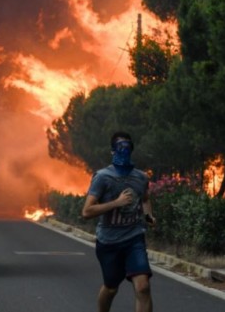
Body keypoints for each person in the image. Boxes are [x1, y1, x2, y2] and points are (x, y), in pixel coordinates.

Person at [82, 131, 156, 312]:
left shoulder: (141, 177)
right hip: (109, 241)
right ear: (112, 151)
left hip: (134, 238)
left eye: (127, 147)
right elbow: (86, 211)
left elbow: (145, 198)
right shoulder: (102, 177)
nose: (124, 151)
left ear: (132, 149)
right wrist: (117, 202)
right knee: (111, 287)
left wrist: (148, 216)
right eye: (119, 147)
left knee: (143, 287)